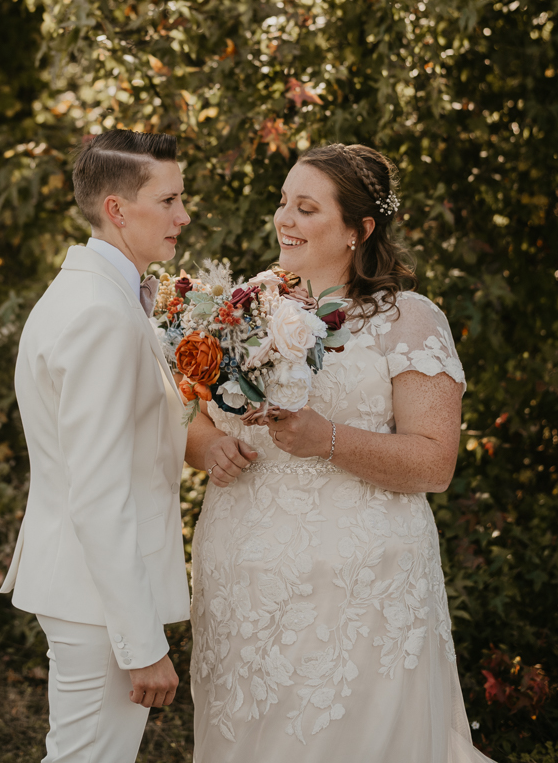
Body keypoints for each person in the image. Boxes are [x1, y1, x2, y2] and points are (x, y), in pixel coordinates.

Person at [186, 142, 494, 762]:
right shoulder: (240, 309)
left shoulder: (409, 320)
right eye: (282, 204)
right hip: (242, 582)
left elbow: (435, 463)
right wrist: (212, 447)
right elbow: (195, 424)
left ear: (359, 228)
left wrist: (326, 439)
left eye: (305, 208)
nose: (284, 220)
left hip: (361, 588)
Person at [0, 129, 191, 763]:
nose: (182, 217)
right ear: (117, 209)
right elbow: (99, 493)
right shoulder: (100, 315)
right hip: (97, 599)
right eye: (167, 201)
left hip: (87, 588)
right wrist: (143, 645)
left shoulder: (92, 294)